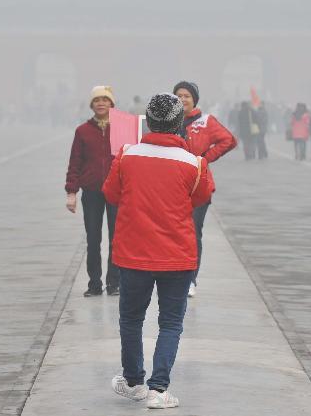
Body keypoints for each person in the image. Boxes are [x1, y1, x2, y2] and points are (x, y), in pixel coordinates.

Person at [104, 93, 213, 409]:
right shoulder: (194, 164)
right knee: (170, 323)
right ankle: (159, 389)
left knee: (131, 319)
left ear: (148, 122)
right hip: (177, 255)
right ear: (180, 124)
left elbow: (111, 194)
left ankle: (134, 381)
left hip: (133, 252)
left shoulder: (126, 155)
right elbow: (199, 199)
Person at [173, 81, 236, 297]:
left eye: (186, 96)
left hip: (198, 186)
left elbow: (228, 140)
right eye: (178, 95)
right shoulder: (166, 121)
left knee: (192, 232)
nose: (182, 99)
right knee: (173, 232)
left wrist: (205, 159)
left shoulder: (205, 122)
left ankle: (191, 279)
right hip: (171, 186)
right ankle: (174, 274)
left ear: (194, 100)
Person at [65, 85, 120, 296]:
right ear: (91, 105)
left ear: (111, 104)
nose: (101, 104)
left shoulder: (122, 129)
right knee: (93, 238)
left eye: (105, 100)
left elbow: (132, 160)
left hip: (117, 191)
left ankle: (114, 283)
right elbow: (75, 163)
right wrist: (72, 192)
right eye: (97, 100)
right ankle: (94, 283)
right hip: (92, 192)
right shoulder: (83, 131)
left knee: (117, 239)